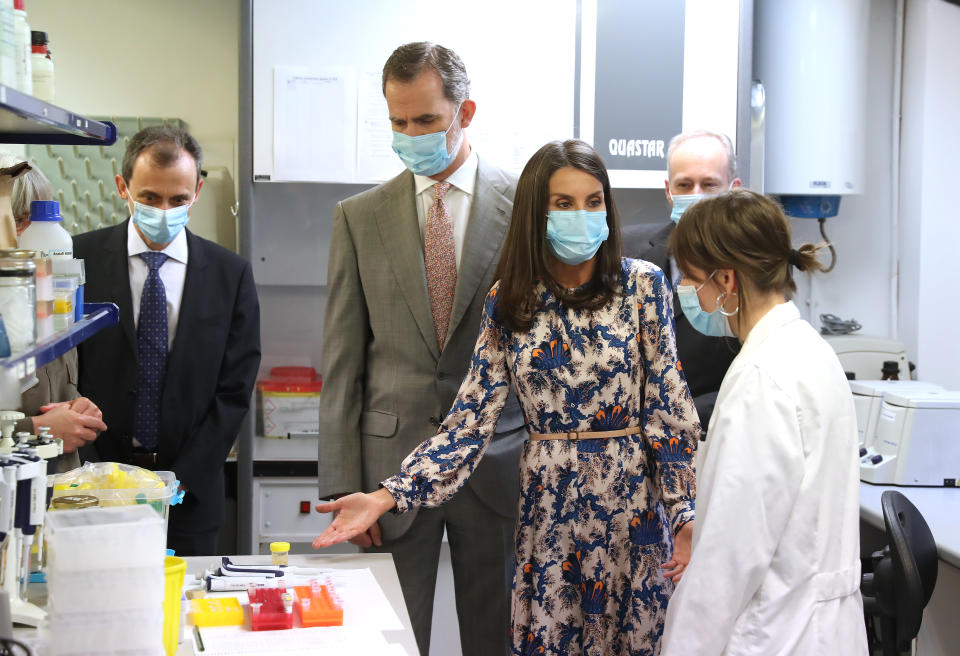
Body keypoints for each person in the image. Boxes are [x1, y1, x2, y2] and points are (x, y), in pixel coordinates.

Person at [314, 139, 699, 655]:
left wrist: (685, 514)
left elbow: (669, 413)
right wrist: (388, 495)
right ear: (536, 213)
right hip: (547, 514)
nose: (580, 215)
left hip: (631, 510)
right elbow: (468, 424)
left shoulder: (643, 287)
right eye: (563, 203)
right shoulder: (511, 300)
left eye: (592, 201)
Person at [315, 42, 526, 656]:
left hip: (496, 464)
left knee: (496, 639)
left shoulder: (523, 211)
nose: (411, 135)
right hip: (386, 470)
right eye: (398, 122)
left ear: (466, 111)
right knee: (387, 640)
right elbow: (342, 362)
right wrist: (340, 489)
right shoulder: (359, 217)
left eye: (427, 120)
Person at [660, 189, 867, 654]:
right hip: (819, 627)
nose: (688, 294)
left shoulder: (760, 376)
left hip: (775, 631)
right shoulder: (811, 350)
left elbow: (729, 559)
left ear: (727, 279)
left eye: (693, 280)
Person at [73, 126, 261, 556]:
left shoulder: (230, 274)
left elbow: (234, 390)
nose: (163, 210)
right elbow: (66, 370)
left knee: (182, 612)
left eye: (178, 200)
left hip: (190, 495)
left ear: (197, 190)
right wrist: (98, 468)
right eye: (150, 198)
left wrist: (183, 476)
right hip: (96, 482)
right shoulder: (77, 260)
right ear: (123, 187)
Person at [621, 130, 741, 429]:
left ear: (733, 189)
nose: (695, 194)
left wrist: (676, 417)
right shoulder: (624, 252)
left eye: (709, 185)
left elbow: (755, 374)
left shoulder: (751, 267)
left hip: (707, 438)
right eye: (685, 184)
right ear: (668, 190)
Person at [0, 153, 107, 471]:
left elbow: (56, 391)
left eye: (42, 220)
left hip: (61, 492)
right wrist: (36, 431)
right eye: (19, 220)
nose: (35, 236)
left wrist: (80, 410)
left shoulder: (54, 299)